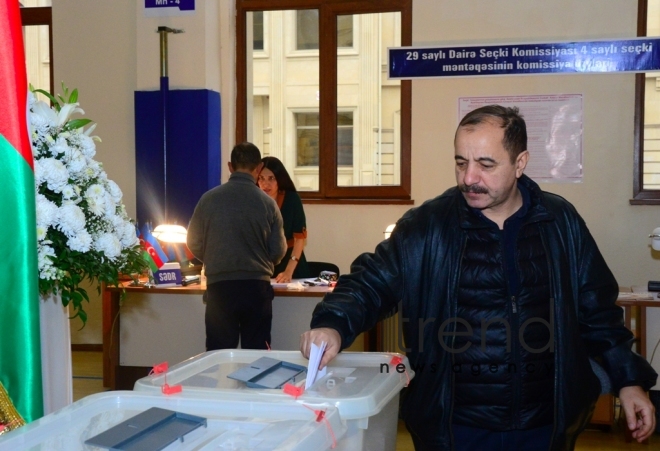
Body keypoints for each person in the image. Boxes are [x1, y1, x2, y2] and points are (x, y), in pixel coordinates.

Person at [300, 105, 658, 450]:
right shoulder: (427, 226)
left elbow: (597, 312)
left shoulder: (560, 222)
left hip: (545, 424)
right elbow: (370, 283)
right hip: (455, 428)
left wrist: (629, 381)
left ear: (520, 163)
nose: (469, 178)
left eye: (486, 165)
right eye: (461, 163)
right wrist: (333, 322)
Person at [187, 142, 286, 350]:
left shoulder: (208, 199)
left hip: (220, 288)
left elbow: (193, 242)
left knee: (219, 354)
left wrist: (215, 257)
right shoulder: (268, 204)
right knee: (257, 354)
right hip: (256, 288)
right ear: (259, 168)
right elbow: (278, 250)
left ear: (230, 166)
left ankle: (222, 384)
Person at [257, 156, 311, 282]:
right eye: (261, 178)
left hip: (291, 264)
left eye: (271, 178)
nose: (265, 184)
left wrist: (288, 271)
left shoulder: (292, 199)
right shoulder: (253, 200)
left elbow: (299, 239)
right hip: (263, 265)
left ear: (279, 179)